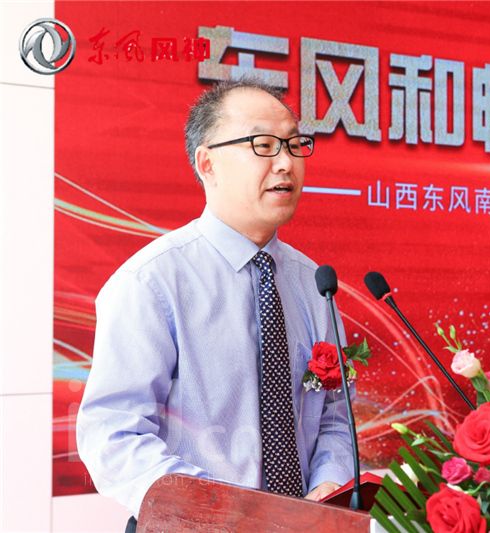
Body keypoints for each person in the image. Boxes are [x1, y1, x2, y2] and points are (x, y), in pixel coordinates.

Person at [76, 79, 354, 527]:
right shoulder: (153, 283)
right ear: (208, 163)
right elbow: (114, 432)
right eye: (263, 145)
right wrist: (219, 511)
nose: (286, 163)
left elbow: (336, 418)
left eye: (294, 144)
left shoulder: (314, 285)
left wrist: (329, 483)